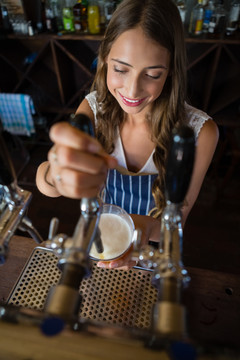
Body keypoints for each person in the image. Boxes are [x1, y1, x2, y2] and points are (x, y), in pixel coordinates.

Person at [36, 0, 219, 269]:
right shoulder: (95, 110)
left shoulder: (198, 132)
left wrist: (139, 229)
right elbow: (44, 184)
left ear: (170, 71)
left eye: (153, 75)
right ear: (105, 59)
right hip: (103, 238)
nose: (132, 92)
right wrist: (56, 173)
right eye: (120, 69)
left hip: (151, 249)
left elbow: (175, 222)